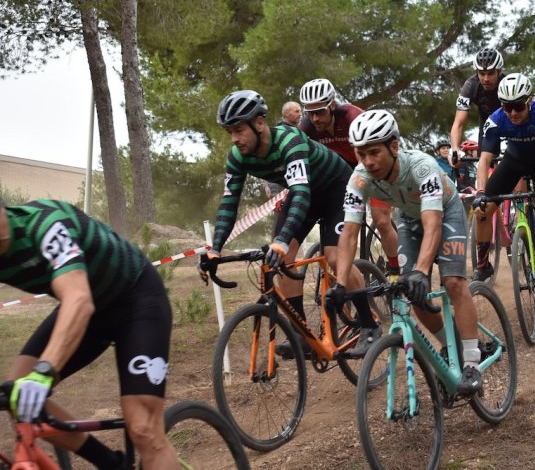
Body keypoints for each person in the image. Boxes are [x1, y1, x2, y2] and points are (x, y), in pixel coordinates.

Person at [0, 199, 179, 469]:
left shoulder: (45, 224)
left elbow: (78, 299)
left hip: (136, 298)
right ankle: (109, 463)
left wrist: (44, 372)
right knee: (16, 396)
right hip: (91, 309)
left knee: (143, 429)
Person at [202, 90, 376, 358]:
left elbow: (302, 191)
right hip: (302, 194)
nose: (234, 139)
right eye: (230, 132)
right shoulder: (237, 156)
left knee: (333, 256)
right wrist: (215, 248)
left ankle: (369, 325)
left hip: (336, 189)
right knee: (282, 260)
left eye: (238, 130)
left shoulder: (289, 140)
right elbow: (229, 204)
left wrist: (282, 240)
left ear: (259, 123)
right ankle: (301, 334)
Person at [332, 109, 484, 394]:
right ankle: (449, 346)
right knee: (413, 293)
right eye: (361, 154)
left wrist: (422, 270)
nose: (368, 161)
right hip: (410, 218)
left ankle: (472, 362)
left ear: (393, 146)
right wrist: (340, 282)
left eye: (374, 152)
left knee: (452, 282)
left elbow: (433, 221)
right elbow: (349, 233)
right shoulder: (359, 179)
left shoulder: (422, 167)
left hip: (445, 211)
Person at [472, 73, 535, 306]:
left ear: (529, 101)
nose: (513, 113)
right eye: (507, 107)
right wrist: (481, 193)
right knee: (483, 211)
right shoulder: (496, 120)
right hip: (514, 161)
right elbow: (484, 161)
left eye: (518, 106)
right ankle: (483, 265)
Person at [298, 78, 401, 276]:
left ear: (333, 105)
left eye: (320, 112)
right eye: (310, 113)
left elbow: (375, 149)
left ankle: (396, 269)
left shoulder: (351, 116)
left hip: (369, 167)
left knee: (381, 220)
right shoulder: (308, 127)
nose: (315, 119)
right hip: (340, 173)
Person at [449, 47, 506, 167]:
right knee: (484, 158)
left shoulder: (507, 82)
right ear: (476, 72)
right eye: (482, 73)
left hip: (510, 117)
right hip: (487, 119)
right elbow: (458, 123)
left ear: (499, 72)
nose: (486, 79)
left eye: (490, 73)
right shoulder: (470, 85)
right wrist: (454, 150)